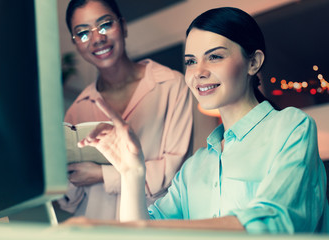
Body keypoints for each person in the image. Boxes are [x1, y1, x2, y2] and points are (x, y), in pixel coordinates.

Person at [71, 7, 329, 233]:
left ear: (254, 62)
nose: (199, 72)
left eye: (215, 56)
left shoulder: (291, 128)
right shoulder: (194, 168)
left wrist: (141, 228)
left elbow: (275, 223)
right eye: (191, 61)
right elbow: (143, 234)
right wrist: (131, 172)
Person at [57, 0, 193, 220]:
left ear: (123, 26)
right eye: (83, 33)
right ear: (76, 44)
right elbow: (69, 201)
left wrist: (102, 174)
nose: (97, 38)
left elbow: (174, 172)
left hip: (153, 228)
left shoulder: (171, 85)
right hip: (97, 230)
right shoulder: (76, 110)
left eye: (105, 25)